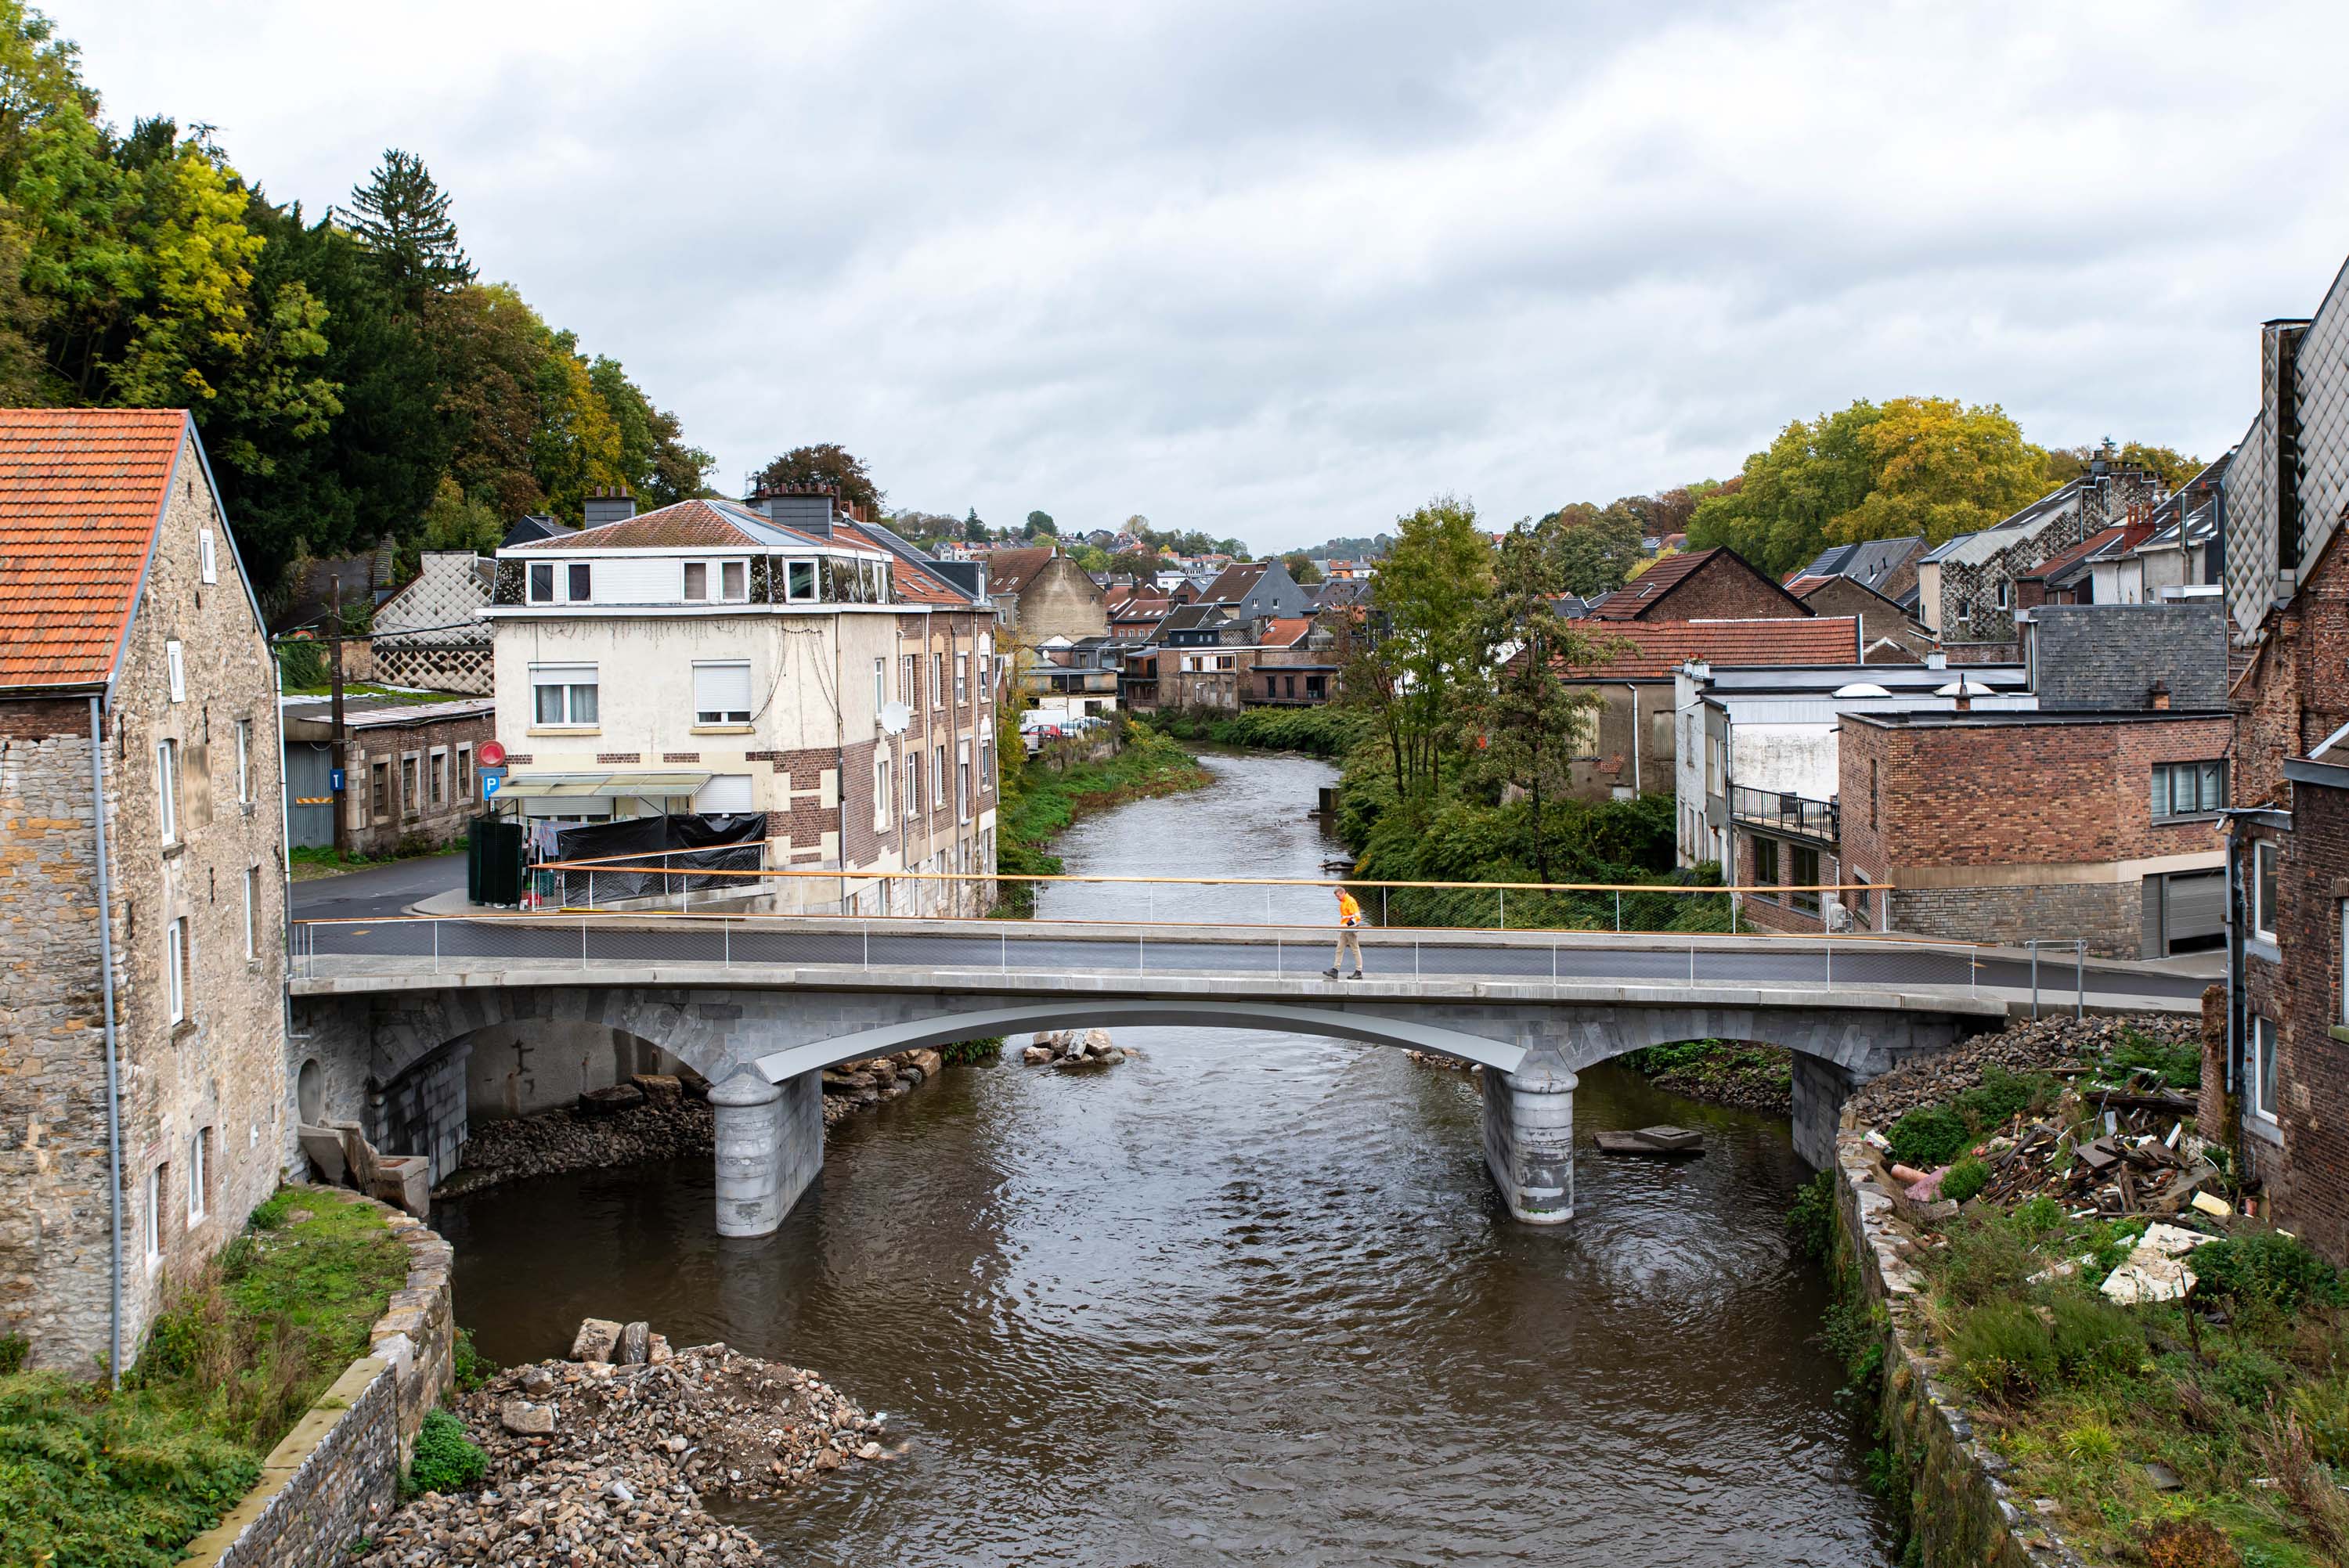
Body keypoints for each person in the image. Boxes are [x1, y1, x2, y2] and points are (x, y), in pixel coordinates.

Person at [1324, 885, 1365, 979]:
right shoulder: (1344, 901)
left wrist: (1346, 925)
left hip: (1350, 929)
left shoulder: (1350, 901)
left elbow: (1357, 917)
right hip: (1345, 929)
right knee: (1339, 949)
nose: (1337, 898)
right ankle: (1335, 970)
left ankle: (1359, 971)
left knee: (1355, 950)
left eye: (1338, 896)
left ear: (1343, 893)